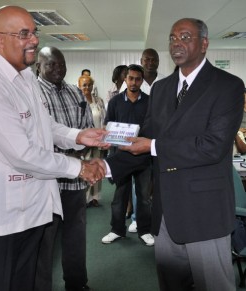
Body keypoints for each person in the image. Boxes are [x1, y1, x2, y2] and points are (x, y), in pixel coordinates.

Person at [0, 6, 107, 291]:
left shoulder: (24, 77)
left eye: (33, 32)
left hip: (30, 212)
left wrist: (79, 136)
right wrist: (79, 168)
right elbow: (21, 154)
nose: (34, 40)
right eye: (23, 34)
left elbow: (43, 126)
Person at [101, 18, 245, 290]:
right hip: (166, 213)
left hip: (205, 215)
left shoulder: (228, 86)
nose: (176, 43)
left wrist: (151, 145)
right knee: (171, 284)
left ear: (204, 43)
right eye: (172, 38)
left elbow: (211, 146)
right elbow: (145, 135)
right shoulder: (162, 88)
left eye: (185, 37)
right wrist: (107, 165)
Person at [35, 46, 94, 291]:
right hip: (45, 182)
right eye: (51, 64)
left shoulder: (75, 93)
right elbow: (39, 141)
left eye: (61, 64)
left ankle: (76, 283)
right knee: (44, 242)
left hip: (74, 181)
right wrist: (71, 154)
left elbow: (87, 128)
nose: (58, 69)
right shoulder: (32, 94)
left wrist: (77, 154)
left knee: (75, 236)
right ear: (39, 66)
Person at [101, 64, 153, 246]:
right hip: (121, 157)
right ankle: (117, 230)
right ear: (125, 79)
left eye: (138, 79)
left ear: (141, 81)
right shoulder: (115, 102)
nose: (133, 82)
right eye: (130, 78)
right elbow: (108, 126)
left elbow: (153, 127)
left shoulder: (149, 101)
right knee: (120, 195)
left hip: (143, 157)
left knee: (144, 196)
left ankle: (144, 230)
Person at [121, 48, 164, 234]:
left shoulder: (165, 81)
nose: (150, 63)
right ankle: (137, 219)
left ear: (158, 62)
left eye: (153, 60)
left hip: (158, 140)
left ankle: (156, 216)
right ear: (142, 60)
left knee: (158, 181)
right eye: (147, 59)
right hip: (136, 141)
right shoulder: (132, 82)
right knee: (139, 185)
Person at [78, 75, 106, 207]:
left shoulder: (98, 101)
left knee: (98, 167)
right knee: (86, 168)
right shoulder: (77, 101)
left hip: (99, 141)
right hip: (84, 142)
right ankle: (85, 198)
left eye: (89, 85)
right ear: (79, 86)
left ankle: (95, 197)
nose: (87, 87)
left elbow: (104, 120)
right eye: (84, 85)